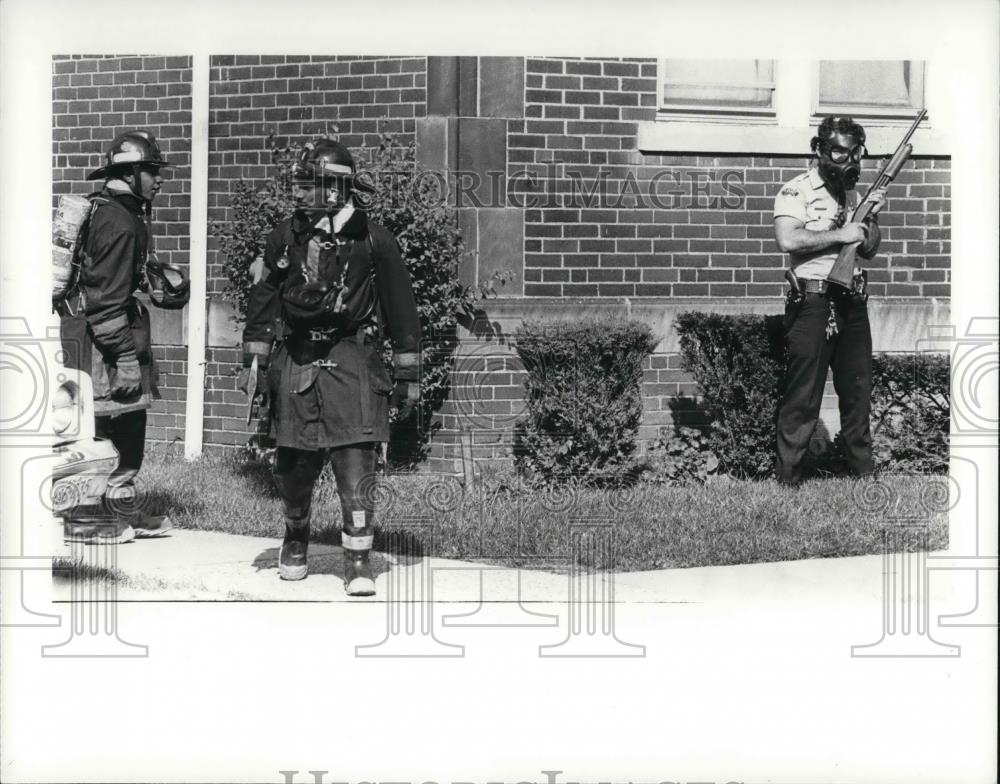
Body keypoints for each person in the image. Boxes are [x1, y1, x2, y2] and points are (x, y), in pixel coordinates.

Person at [238, 138, 421, 595]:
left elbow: (401, 307)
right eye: (297, 185)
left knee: (356, 463)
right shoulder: (285, 236)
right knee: (293, 463)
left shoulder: (373, 239)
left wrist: (407, 374)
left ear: (336, 190)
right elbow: (263, 299)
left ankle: (358, 560)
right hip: (297, 359)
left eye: (308, 185)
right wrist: (255, 361)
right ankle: (295, 537)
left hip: (351, 360)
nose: (297, 194)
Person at [57, 130, 177, 541]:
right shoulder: (118, 222)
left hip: (107, 335)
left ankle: (121, 508)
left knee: (129, 420)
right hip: (102, 342)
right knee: (98, 427)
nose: (159, 180)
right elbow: (105, 301)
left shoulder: (117, 213)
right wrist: (124, 359)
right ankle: (84, 518)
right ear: (130, 173)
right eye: (152, 172)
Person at [773, 116, 887, 486]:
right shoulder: (796, 191)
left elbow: (868, 250)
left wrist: (871, 218)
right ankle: (789, 478)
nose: (848, 160)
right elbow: (789, 240)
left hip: (851, 300)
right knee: (803, 394)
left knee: (857, 390)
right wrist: (843, 232)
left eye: (856, 153)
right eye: (839, 151)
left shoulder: (853, 194)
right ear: (819, 150)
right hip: (813, 300)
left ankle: (863, 472)